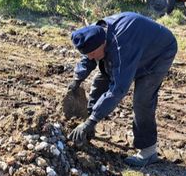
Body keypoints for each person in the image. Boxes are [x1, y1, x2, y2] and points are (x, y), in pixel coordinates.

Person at [67, 12, 178, 167]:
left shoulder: (121, 46)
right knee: (100, 80)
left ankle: (148, 152)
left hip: (159, 52)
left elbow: (118, 89)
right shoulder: (95, 33)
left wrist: (92, 120)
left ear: (103, 44)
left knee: (142, 100)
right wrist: (77, 78)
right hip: (137, 43)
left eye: (92, 53)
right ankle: (89, 127)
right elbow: (88, 56)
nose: (91, 57)